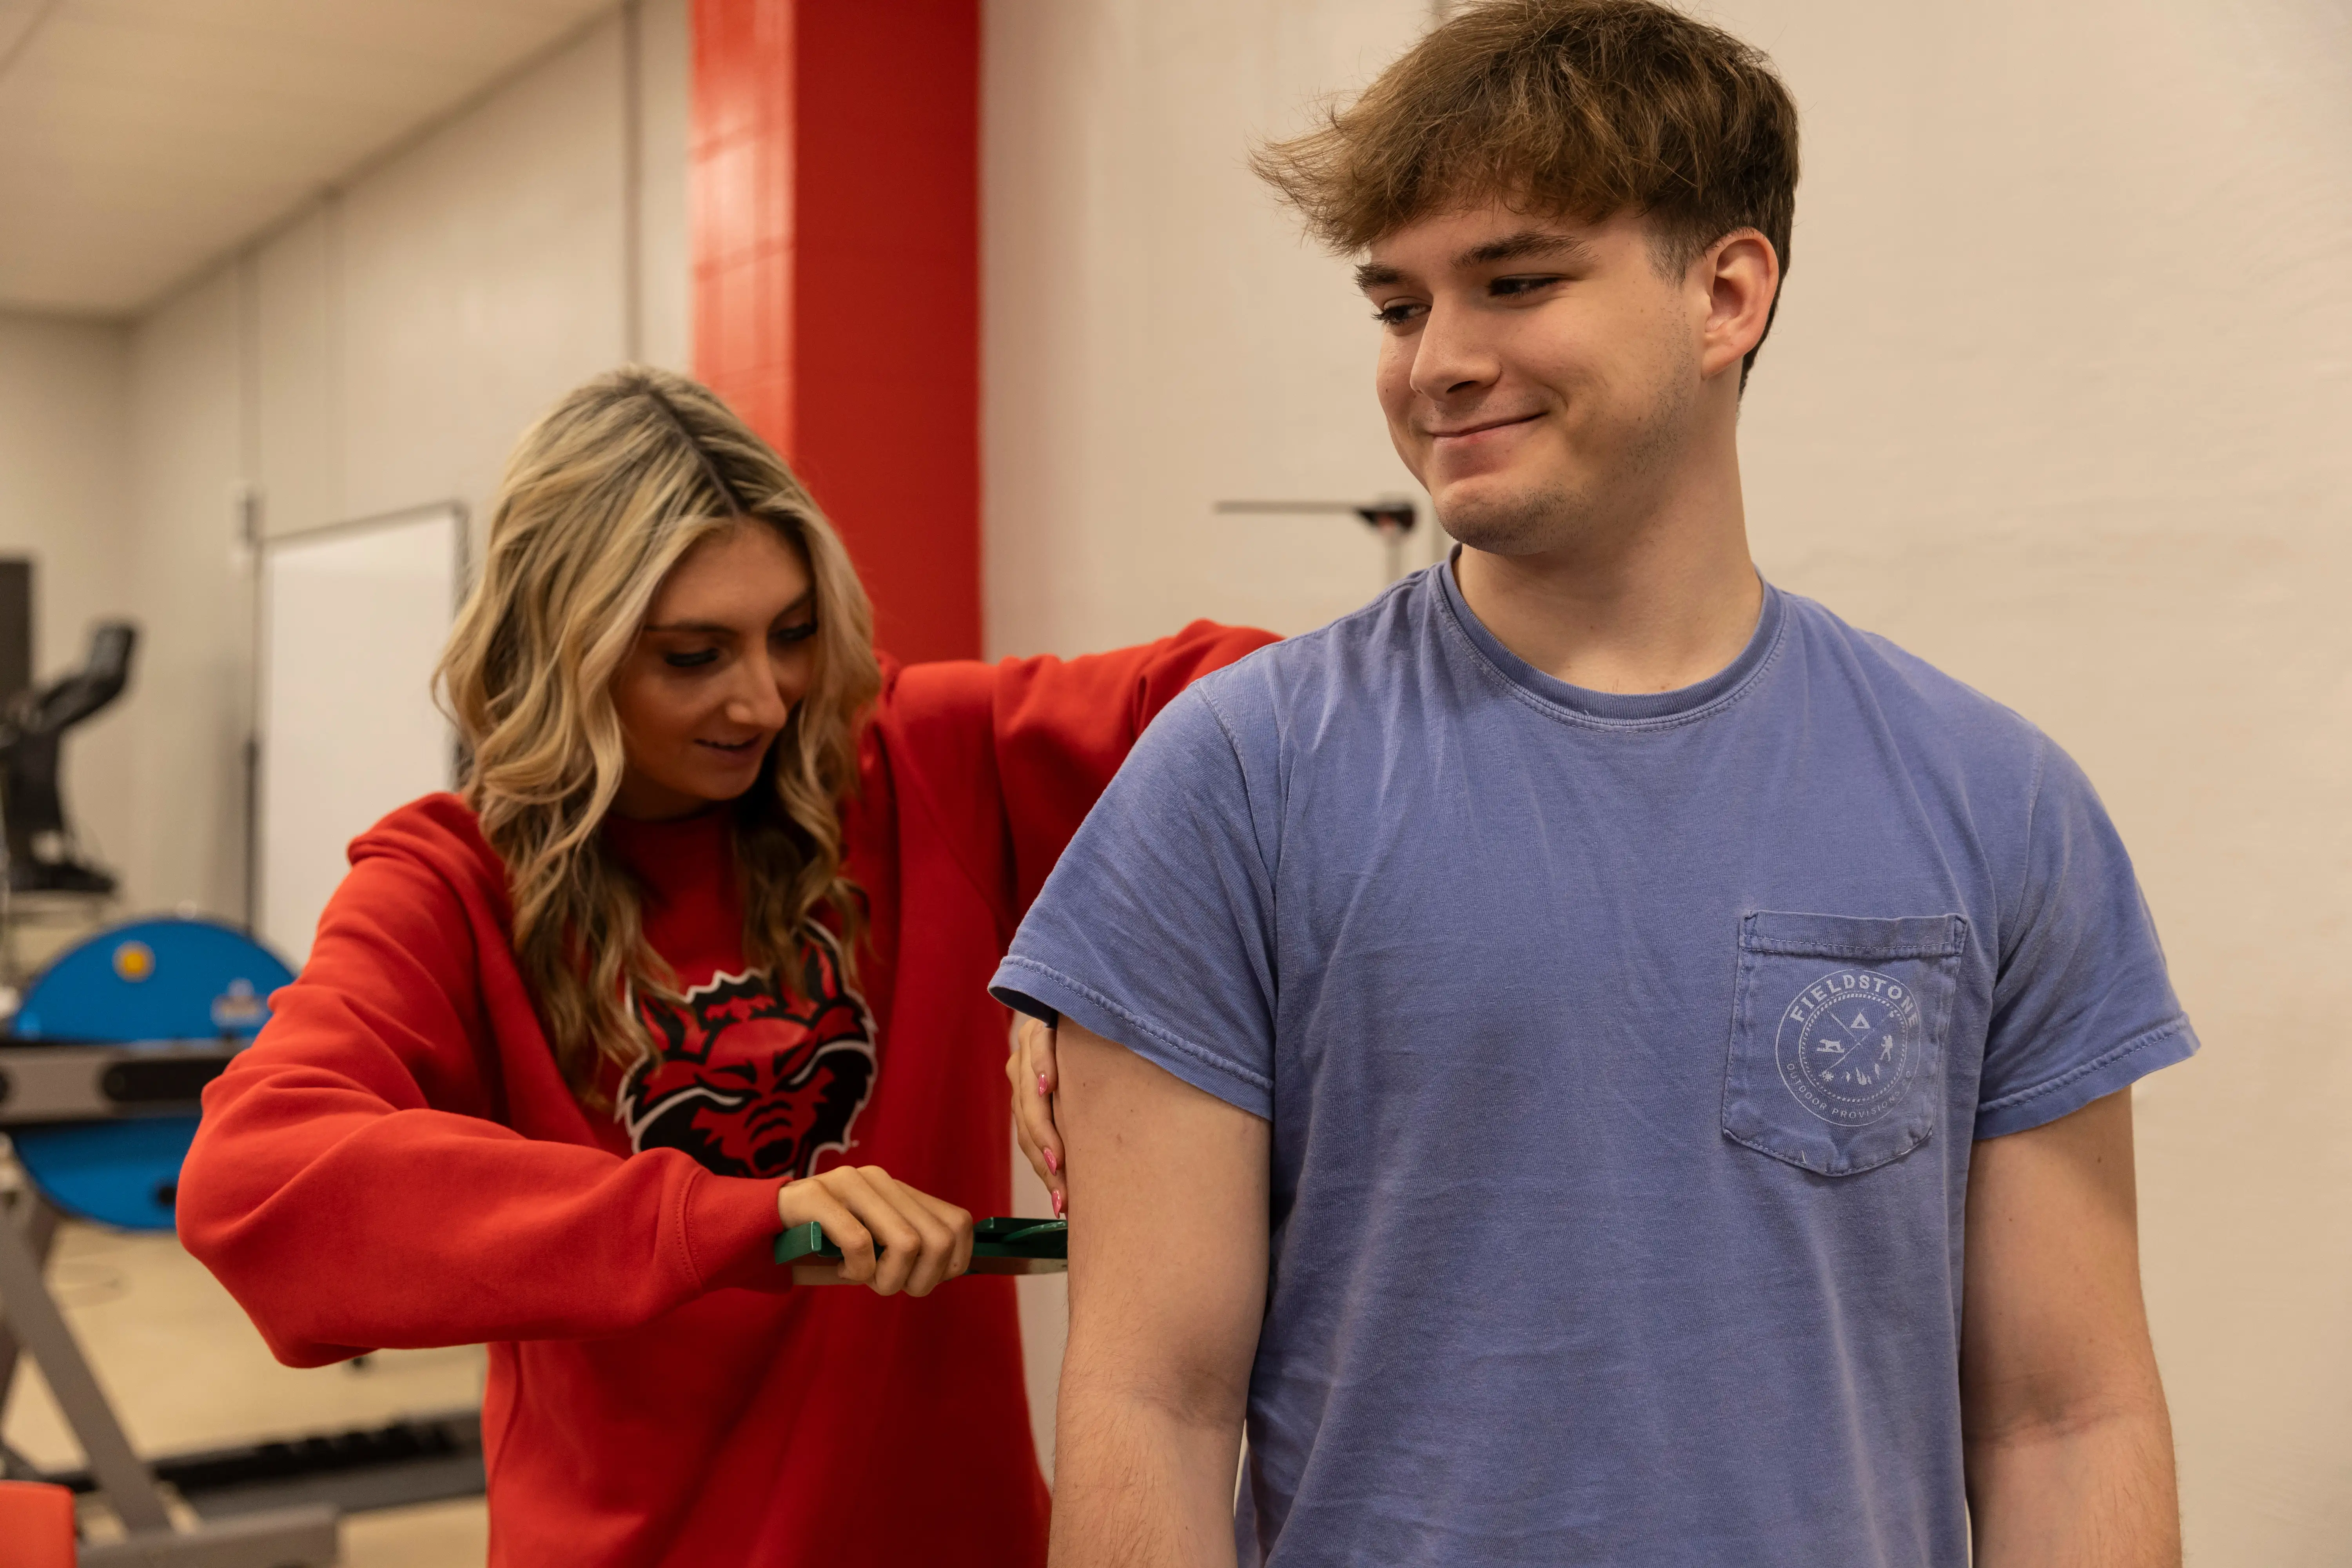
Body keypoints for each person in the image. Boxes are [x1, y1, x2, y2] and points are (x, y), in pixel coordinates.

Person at [998, 2, 2192, 1563]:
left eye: (1516, 280)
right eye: (1397, 303)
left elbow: (2064, 1415)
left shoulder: (1998, 804)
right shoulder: (1234, 787)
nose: (1437, 362)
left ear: (1727, 292)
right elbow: (1151, 1401)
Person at [176, 367, 1274, 1568]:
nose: (763, 700)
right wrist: (730, 1221)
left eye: (791, 635)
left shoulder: (918, 764)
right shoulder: (450, 885)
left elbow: (1255, 707)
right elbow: (258, 1185)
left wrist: (1093, 953)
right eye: (694, 655)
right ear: (564, 650)